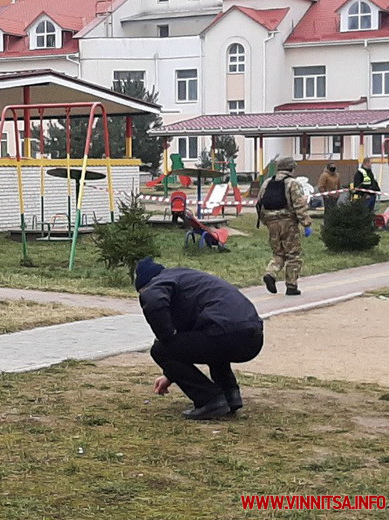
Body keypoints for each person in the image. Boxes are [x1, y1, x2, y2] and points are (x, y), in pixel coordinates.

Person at [135, 257, 264, 420]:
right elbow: (193, 341)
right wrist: (170, 374)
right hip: (252, 337)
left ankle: (210, 399)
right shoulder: (185, 278)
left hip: (226, 333)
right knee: (210, 339)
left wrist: (165, 337)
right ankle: (229, 394)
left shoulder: (157, 282)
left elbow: (153, 300)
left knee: (160, 350)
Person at [257, 156, 312, 296]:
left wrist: (266, 221)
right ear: (291, 168)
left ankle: (271, 273)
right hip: (287, 222)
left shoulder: (267, 182)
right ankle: (291, 286)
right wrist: (306, 223)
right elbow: (299, 204)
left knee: (278, 252)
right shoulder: (293, 183)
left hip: (271, 222)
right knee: (293, 254)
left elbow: (259, 202)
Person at [317, 162, 341, 226]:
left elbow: (339, 185)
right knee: (328, 212)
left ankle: (334, 224)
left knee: (334, 211)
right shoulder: (324, 175)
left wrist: (338, 193)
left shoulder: (337, 175)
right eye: (331, 167)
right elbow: (321, 186)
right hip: (328, 196)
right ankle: (327, 225)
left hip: (335, 196)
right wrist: (325, 195)